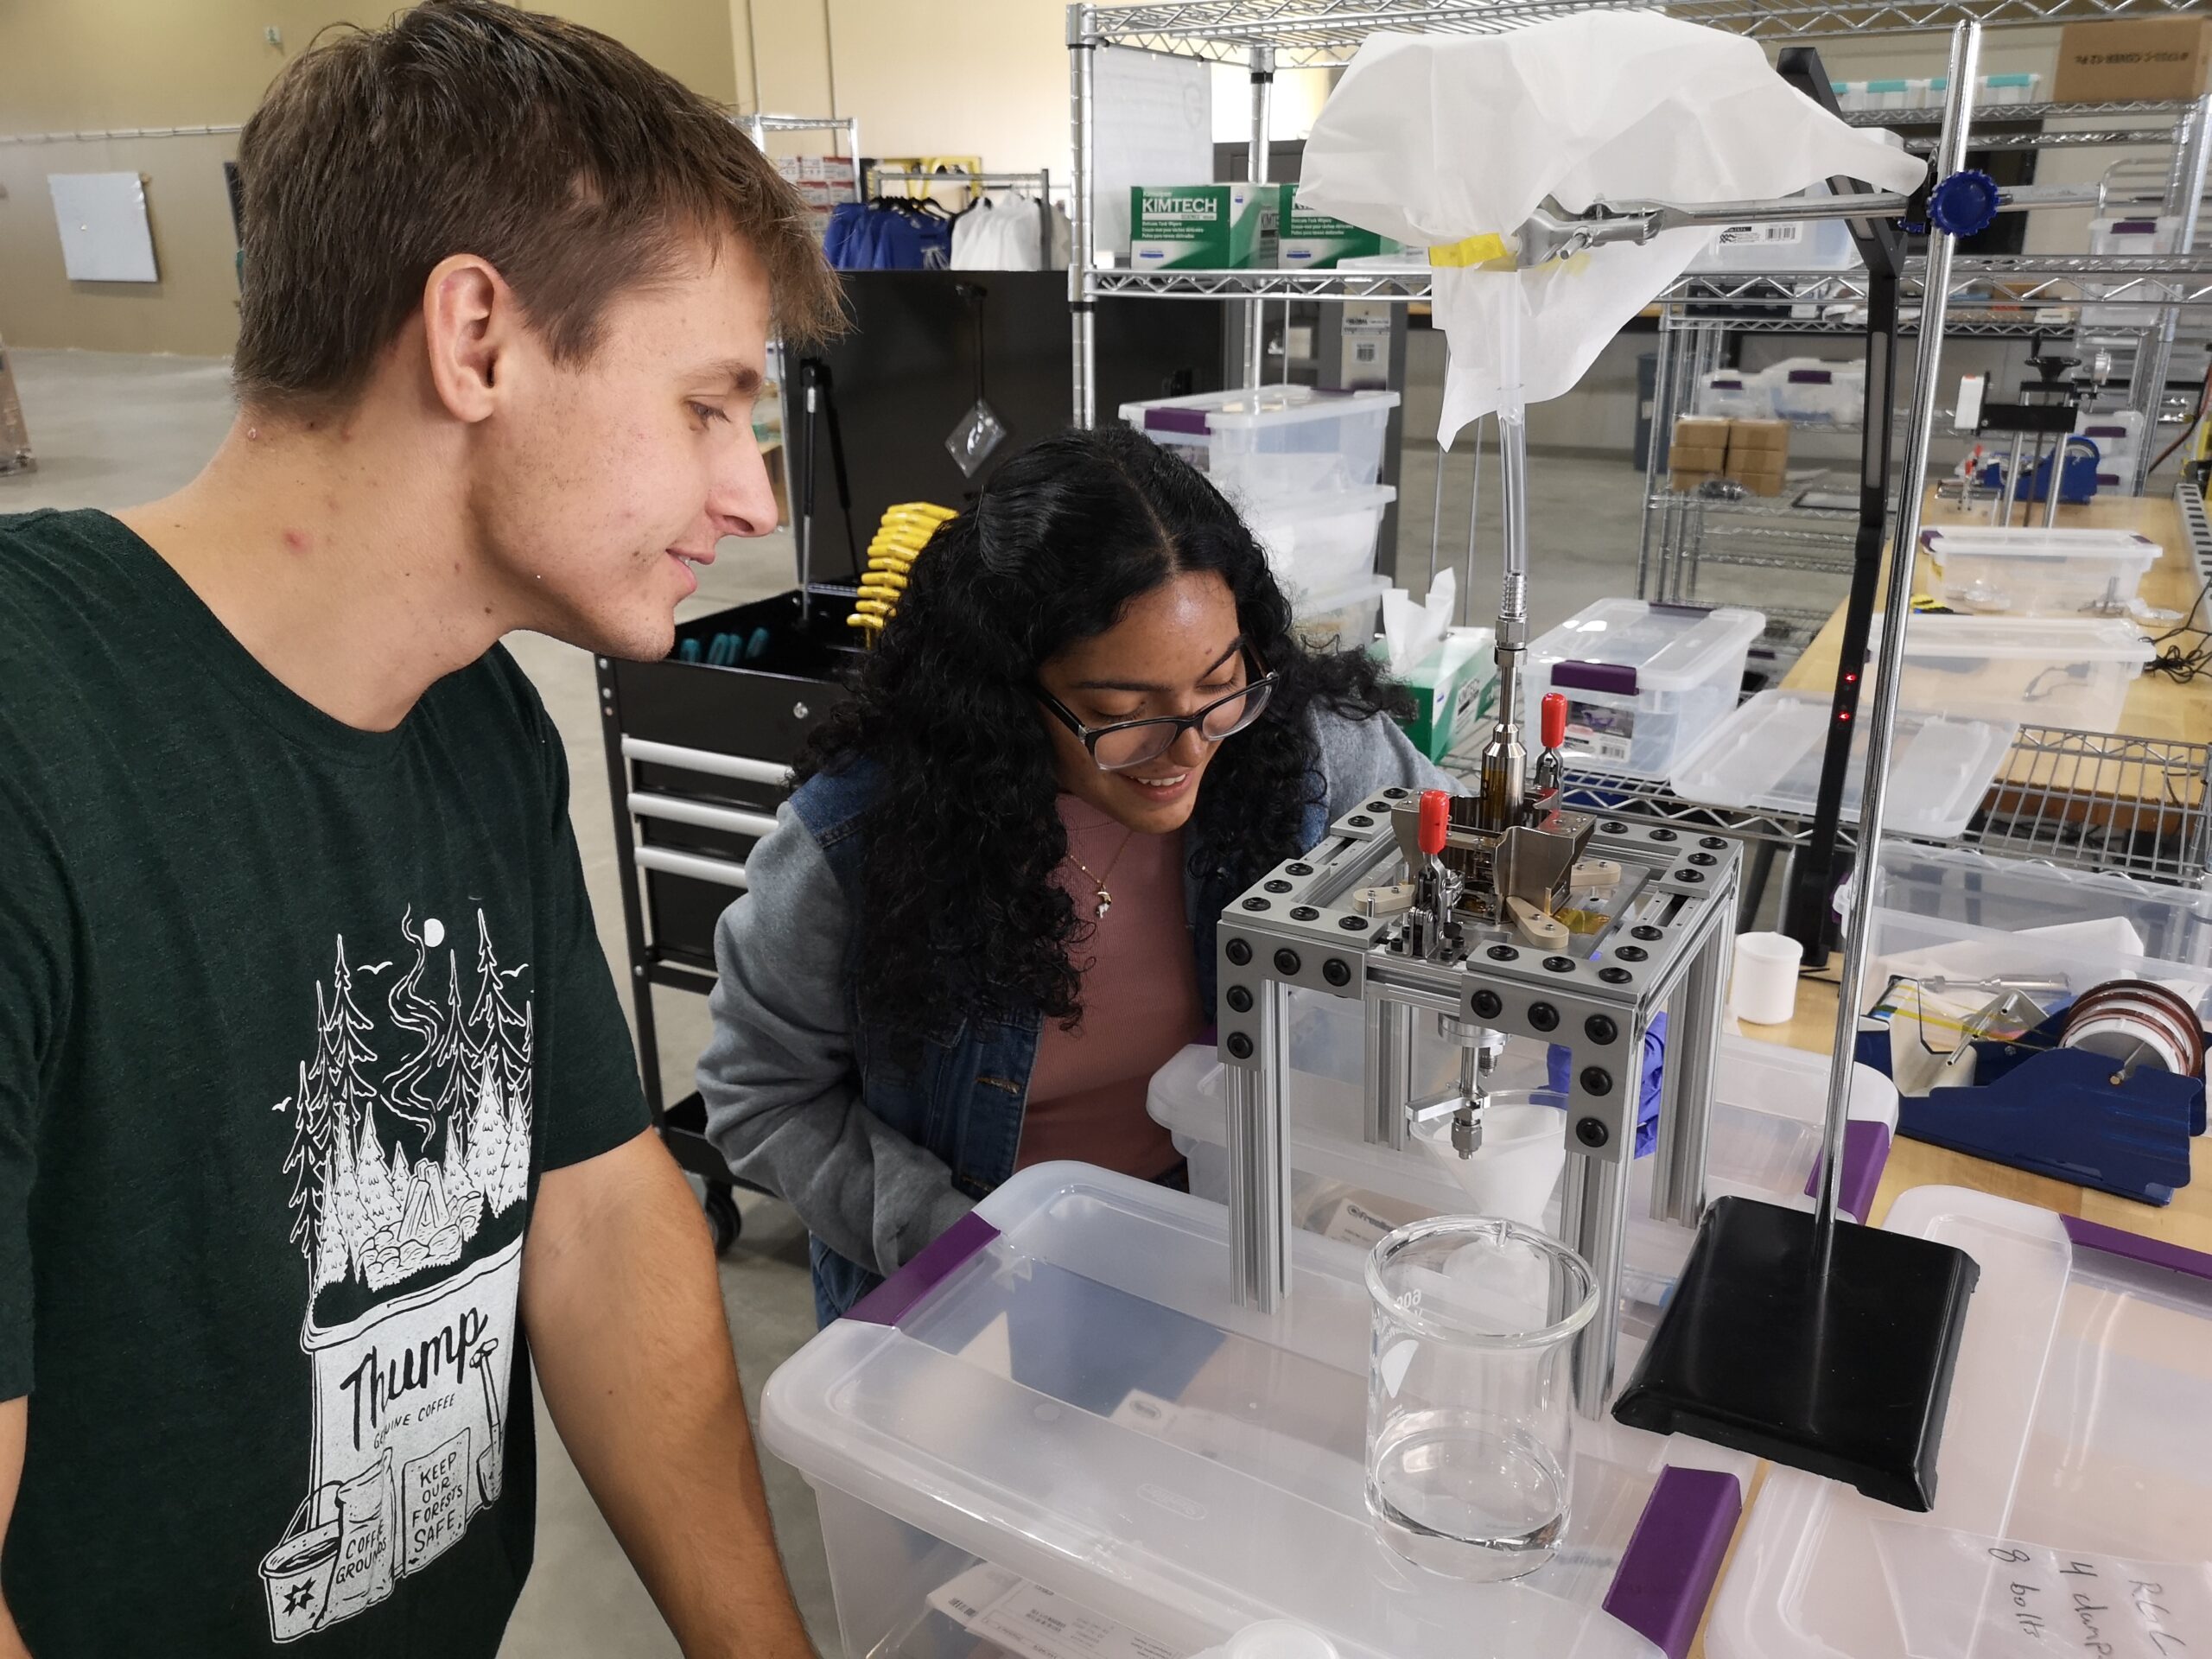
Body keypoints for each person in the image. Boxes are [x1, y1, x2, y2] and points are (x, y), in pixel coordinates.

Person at [0, 3, 840, 1652]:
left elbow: (598, 1210)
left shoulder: (476, 716)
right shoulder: (34, 742)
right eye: (705, 405)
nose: (751, 498)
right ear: (477, 339)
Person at [699, 427, 1448, 1323]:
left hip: (1229, 1248)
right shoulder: (857, 842)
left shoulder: (1311, 755)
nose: (1187, 746)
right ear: (1006, 693)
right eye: (1118, 713)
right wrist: (978, 1252)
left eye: (1221, 683)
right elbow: (760, 1096)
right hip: (985, 1274)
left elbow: (1468, 866)